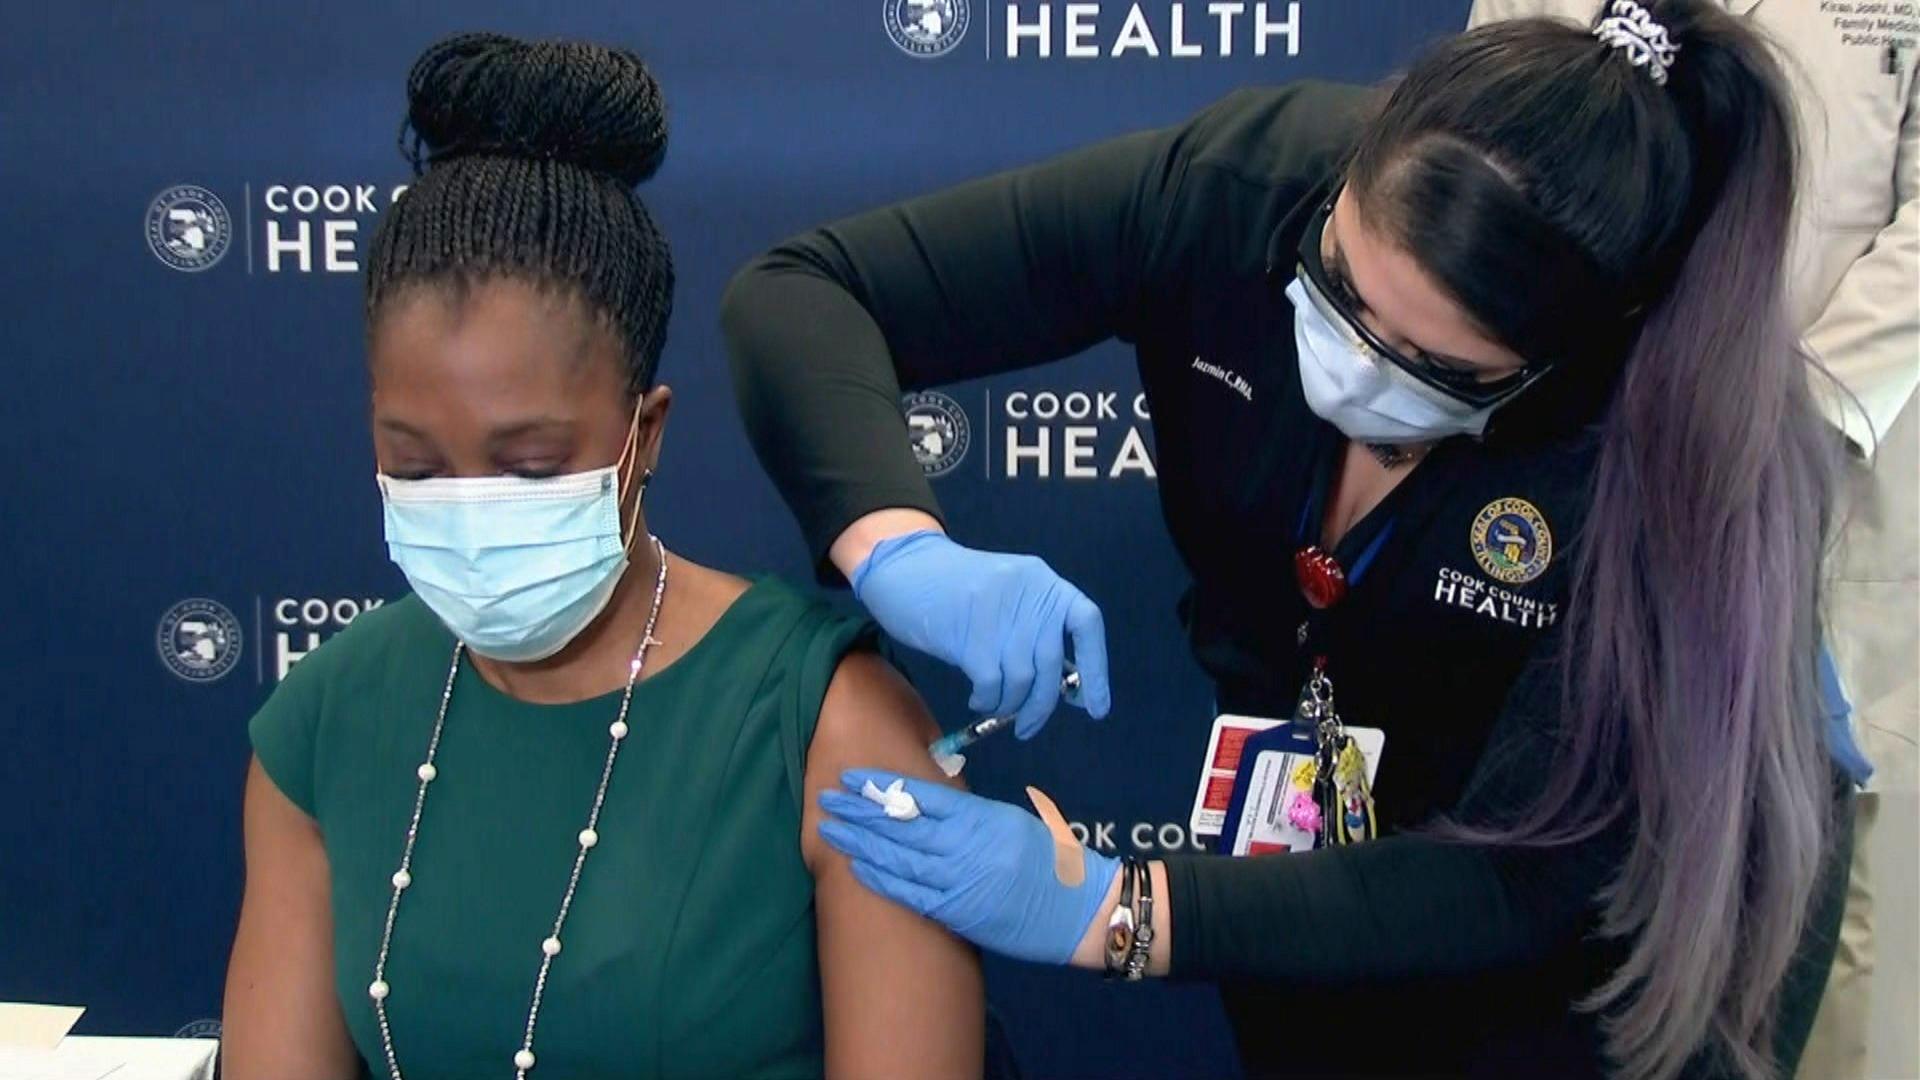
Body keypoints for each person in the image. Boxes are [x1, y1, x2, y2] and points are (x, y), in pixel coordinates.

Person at [723, 1, 1854, 1076]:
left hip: (1606, 974)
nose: (1357, 364)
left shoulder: (1682, 453)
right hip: (1302, 862)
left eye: (1437, 370)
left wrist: (1112, 912)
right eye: (1341, 288)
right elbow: (807, 294)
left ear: (1566, 358)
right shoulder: (1251, 184)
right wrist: (898, 546)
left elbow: (1525, 880)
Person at [220, 33, 983, 1080]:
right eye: (416, 463)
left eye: (530, 465)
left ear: (647, 433)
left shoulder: (829, 727)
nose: (471, 505)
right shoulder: (324, 725)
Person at [1463, 7, 1917, 1079]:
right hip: (1561, 478)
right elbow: (1486, 143)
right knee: (1540, 853)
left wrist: (1768, 415)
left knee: (1799, 880)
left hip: (1812, 472)